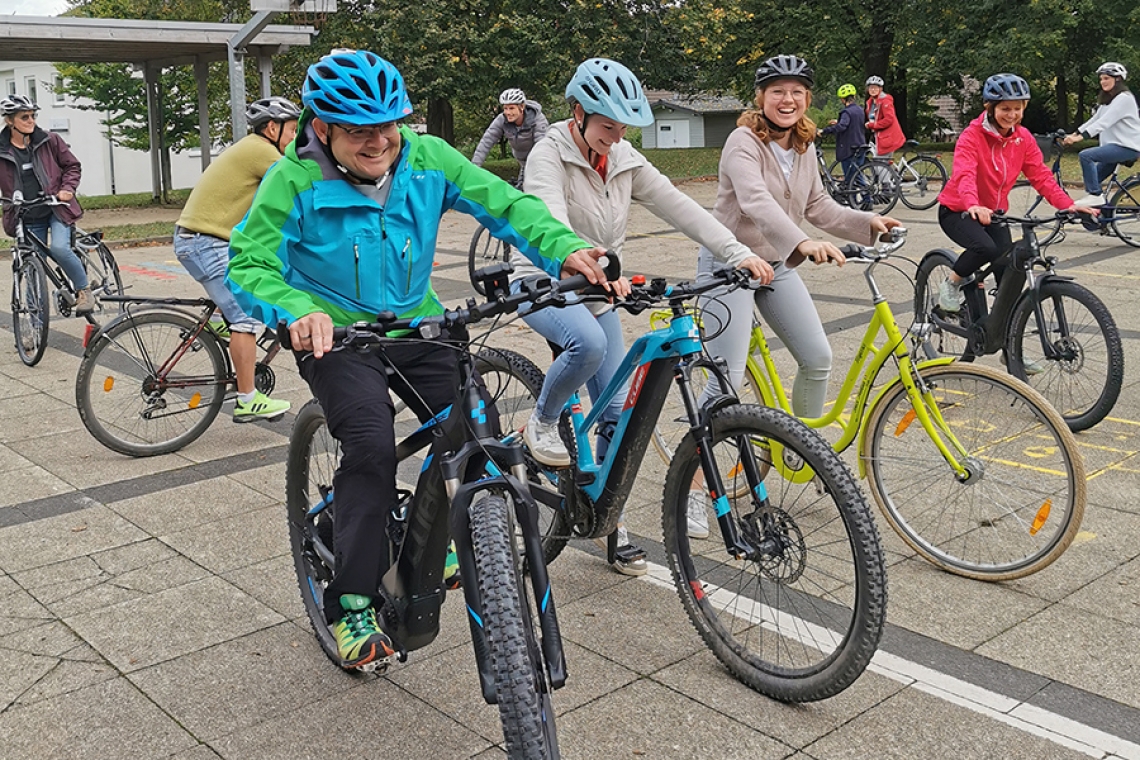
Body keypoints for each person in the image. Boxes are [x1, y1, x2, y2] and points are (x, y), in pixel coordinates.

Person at [226, 49, 606, 670]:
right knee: (372, 449)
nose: (378, 141)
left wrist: (563, 248)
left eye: (388, 124)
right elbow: (249, 262)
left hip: (416, 321)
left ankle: (445, 534)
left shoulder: (426, 160)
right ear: (320, 127)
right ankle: (349, 600)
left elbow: (506, 206)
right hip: (337, 337)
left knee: (475, 430)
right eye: (357, 128)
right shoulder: (293, 181)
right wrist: (295, 310)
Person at [515, 57, 772, 564]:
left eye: (623, 126)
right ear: (577, 113)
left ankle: (607, 523)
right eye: (607, 125)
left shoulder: (626, 158)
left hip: (596, 284)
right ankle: (541, 421)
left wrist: (739, 253)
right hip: (543, 278)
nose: (616, 135)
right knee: (585, 344)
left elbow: (683, 208)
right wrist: (583, 261)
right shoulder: (549, 154)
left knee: (616, 415)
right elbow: (546, 216)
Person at [695, 56, 899, 522]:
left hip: (776, 264)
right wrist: (801, 241)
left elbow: (819, 205)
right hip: (729, 264)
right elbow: (755, 201)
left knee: (818, 357)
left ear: (808, 98)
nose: (787, 100)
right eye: (777, 92)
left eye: (797, 92)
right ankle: (693, 486)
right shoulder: (742, 141)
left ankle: (799, 448)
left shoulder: (805, 145)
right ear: (760, 98)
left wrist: (868, 223)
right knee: (722, 376)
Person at [174, 96, 300, 422]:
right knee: (247, 317)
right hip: (206, 242)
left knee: (258, 283)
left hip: (203, 240)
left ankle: (225, 323)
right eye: (293, 129)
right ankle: (247, 399)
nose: (297, 136)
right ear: (272, 128)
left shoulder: (252, 147)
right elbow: (300, 186)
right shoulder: (264, 152)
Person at [935, 74, 1098, 318]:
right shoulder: (972, 136)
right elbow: (964, 174)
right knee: (987, 248)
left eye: (1017, 108)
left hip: (995, 214)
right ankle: (952, 283)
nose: (1011, 115)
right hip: (958, 210)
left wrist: (1069, 205)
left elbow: (1041, 176)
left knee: (1009, 276)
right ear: (989, 108)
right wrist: (973, 204)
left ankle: (1009, 349)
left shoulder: (1023, 139)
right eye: (1005, 108)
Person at [0, 94, 92, 316]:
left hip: (55, 207)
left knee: (60, 248)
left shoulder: (50, 141)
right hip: (26, 213)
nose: (31, 121)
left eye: (33, 116)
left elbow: (72, 166)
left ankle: (84, 290)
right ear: (9, 121)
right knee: (34, 268)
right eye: (25, 117)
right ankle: (35, 326)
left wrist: (67, 189)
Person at [1062, 62, 1140, 206]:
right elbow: (1094, 120)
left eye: (1106, 78)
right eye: (1101, 79)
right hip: (1114, 147)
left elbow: (1103, 123)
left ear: (1117, 79)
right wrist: (1073, 134)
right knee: (1093, 181)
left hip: (1126, 147)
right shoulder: (1108, 101)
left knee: (1086, 156)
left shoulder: (1124, 98)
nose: (1102, 82)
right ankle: (1101, 220)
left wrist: (1080, 138)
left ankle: (1096, 196)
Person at [471, 88, 549, 183]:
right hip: (523, 162)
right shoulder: (502, 119)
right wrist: (474, 168)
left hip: (539, 162)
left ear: (522, 107)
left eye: (511, 108)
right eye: (505, 108)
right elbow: (486, 141)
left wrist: (538, 172)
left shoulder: (537, 119)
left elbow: (542, 147)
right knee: (519, 189)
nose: (508, 112)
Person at [821, 83, 867, 182]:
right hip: (861, 145)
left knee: (852, 177)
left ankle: (865, 197)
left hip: (849, 148)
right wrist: (839, 121)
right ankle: (858, 197)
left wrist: (825, 131)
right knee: (856, 174)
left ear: (842, 99)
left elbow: (842, 127)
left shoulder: (846, 112)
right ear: (854, 96)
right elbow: (854, 123)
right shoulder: (860, 110)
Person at [864, 76, 905, 157]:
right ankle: (891, 170)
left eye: (875, 87)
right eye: (871, 87)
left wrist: (872, 125)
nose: (873, 90)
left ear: (881, 89)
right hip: (878, 137)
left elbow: (889, 120)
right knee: (881, 164)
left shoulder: (885, 101)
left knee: (880, 166)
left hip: (888, 138)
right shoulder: (870, 102)